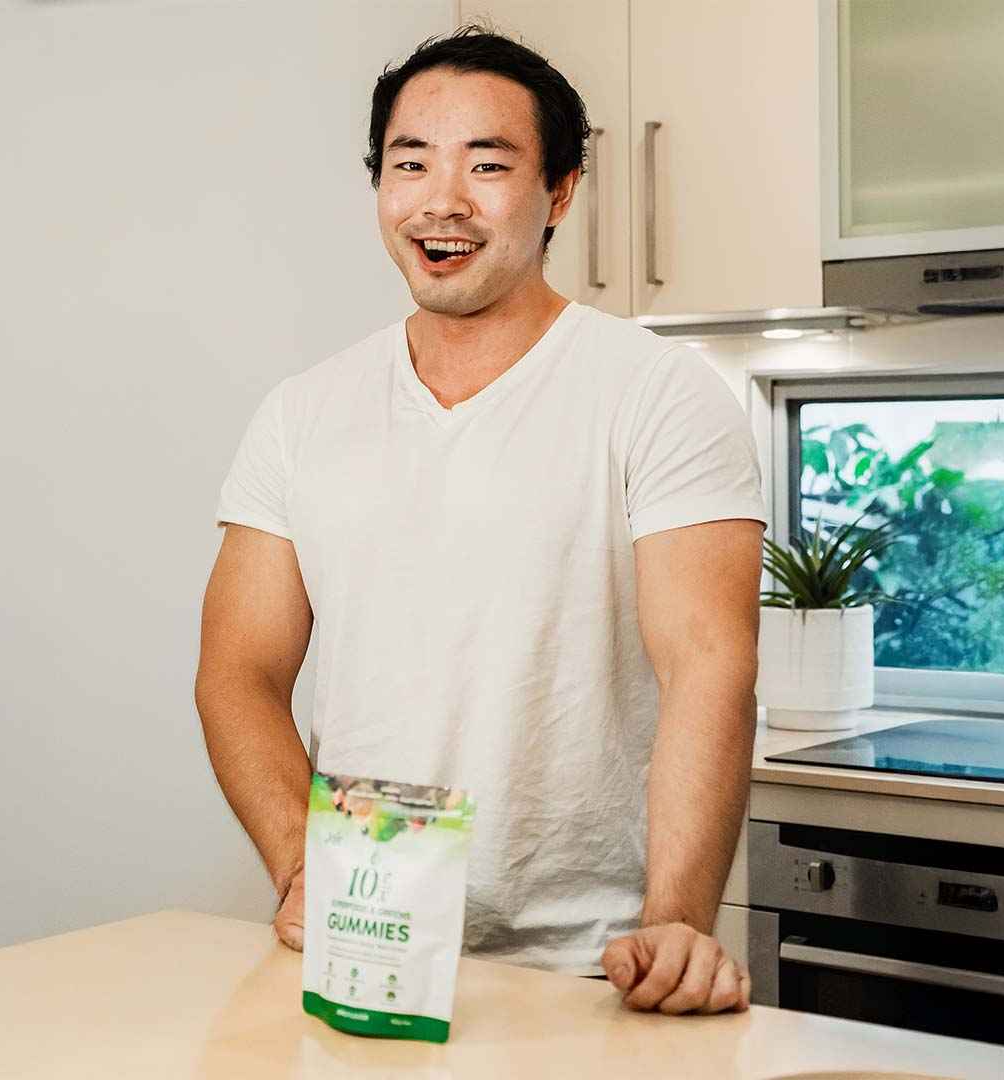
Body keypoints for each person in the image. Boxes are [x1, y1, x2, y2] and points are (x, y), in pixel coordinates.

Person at [196, 24, 767, 1016]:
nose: (441, 200)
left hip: (593, 968)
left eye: (487, 165)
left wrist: (677, 919)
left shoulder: (657, 393)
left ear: (559, 193)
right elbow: (238, 674)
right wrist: (305, 870)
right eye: (410, 163)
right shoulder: (303, 413)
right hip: (366, 952)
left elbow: (708, 664)